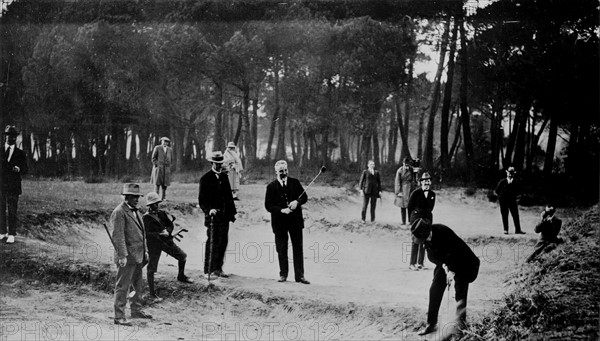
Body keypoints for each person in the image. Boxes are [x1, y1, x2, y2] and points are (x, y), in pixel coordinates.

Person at [412, 219, 480, 336]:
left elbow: (456, 252)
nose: (423, 242)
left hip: (464, 262)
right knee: (435, 290)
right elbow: (433, 257)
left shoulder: (443, 231)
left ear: (427, 233)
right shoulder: (425, 238)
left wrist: (452, 271)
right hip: (446, 262)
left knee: (460, 293)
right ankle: (431, 324)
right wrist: (445, 267)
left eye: (423, 239)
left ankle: (461, 326)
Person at [110, 183, 152, 326]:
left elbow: (142, 233)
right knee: (123, 286)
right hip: (127, 257)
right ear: (126, 197)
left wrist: (145, 250)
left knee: (137, 285)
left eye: (137, 196)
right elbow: (118, 236)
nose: (137, 199)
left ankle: (136, 310)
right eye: (133, 197)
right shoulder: (119, 212)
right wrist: (122, 256)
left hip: (138, 255)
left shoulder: (136, 211)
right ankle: (119, 316)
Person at [142, 191, 193, 303]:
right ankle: (152, 293)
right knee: (151, 268)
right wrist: (159, 234)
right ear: (149, 205)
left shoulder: (161, 213)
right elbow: (147, 234)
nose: (156, 205)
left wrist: (168, 231)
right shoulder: (146, 218)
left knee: (182, 256)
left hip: (166, 242)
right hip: (154, 245)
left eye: (157, 203)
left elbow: (170, 224)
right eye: (154, 204)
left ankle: (181, 276)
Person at [265, 160, 310, 284]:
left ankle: (300, 276)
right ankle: (283, 274)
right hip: (279, 223)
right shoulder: (271, 187)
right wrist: (281, 210)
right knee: (282, 248)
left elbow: (304, 197)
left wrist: (297, 202)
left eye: (285, 170)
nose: (284, 173)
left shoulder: (295, 183)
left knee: (298, 248)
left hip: (295, 221)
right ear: (276, 172)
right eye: (281, 171)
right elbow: (268, 206)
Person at [198, 151, 237, 279]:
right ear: (212, 163)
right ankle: (208, 269)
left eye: (221, 163)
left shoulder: (225, 177)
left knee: (223, 242)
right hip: (213, 218)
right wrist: (209, 210)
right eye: (217, 163)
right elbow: (202, 200)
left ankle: (218, 268)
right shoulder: (205, 178)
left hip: (224, 217)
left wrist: (232, 213)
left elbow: (229, 198)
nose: (219, 166)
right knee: (212, 243)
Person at [0, 126, 28, 244]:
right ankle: (2, 232)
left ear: (15, 138)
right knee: (0, 209)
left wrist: (19, 169)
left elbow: (26, 169)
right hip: (1, 185)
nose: (9, 138)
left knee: (12, 210)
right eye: (7, 135)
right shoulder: (0, 151)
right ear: (5, 136)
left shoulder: (20, 153)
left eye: (12, 136)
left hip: (13, 186)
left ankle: (12, 233)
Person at [407, 172, 436, 271]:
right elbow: (409, 207)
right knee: (415, 241)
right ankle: (412, 263)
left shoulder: (432, 194)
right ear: (421, 182)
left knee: (424, 241)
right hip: (416, 219)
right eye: (424, 181)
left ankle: (420, 263)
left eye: (428, 181)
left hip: (427, 219)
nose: (426, 183)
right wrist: (410, 221)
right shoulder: (415, 193)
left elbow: (431, 208)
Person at [495, 167, 525, 235]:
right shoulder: (502, 181)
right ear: (507, 173)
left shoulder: (516, 182)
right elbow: (497, 191)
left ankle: (518, 229)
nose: (510, 175)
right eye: (509, 173)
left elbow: (519, 191)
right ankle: (506, 230)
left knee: (515, 215)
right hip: (504, 201)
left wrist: (516, 198)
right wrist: (501, 198)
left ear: (514, 174)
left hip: (512, 201)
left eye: (512, 173)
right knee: (504, 215)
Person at [394, 157, 417, 226]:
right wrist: (398, 192)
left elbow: (415, 178)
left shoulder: (412, 169)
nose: (407, 166)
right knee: (403, 206)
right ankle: (403, 221)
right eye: (405, 165)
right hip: (403, 189)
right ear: (403, 164)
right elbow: (397, 182)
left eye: (408, 165)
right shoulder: (400, 170)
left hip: (411, 188)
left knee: (411, 206)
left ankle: (410, 221)